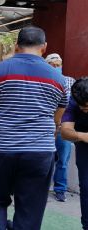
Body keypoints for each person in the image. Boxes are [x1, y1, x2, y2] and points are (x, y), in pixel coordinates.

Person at [0, 26, 68, 230]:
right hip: (40, 153)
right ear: (44, 47)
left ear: (16, 46)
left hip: (1, 150)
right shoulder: (60, 79)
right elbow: (56, 121)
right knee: (30, 210)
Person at [45, 53, 75, 202]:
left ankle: (60, 188)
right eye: (54, 65)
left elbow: (74, 104)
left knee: (63, 159)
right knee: (46, 159)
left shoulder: (70, 81)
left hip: (64, 127)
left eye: (59, 65)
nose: (57, 68)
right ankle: (42, 187)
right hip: (46, 127)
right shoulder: (43, 81)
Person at [60, 78, 88, 230]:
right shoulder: (73, 102)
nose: (85, 110)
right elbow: (65, 132)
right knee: (87, 186)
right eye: (82, 108)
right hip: (85, 147)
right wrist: (83, 136)